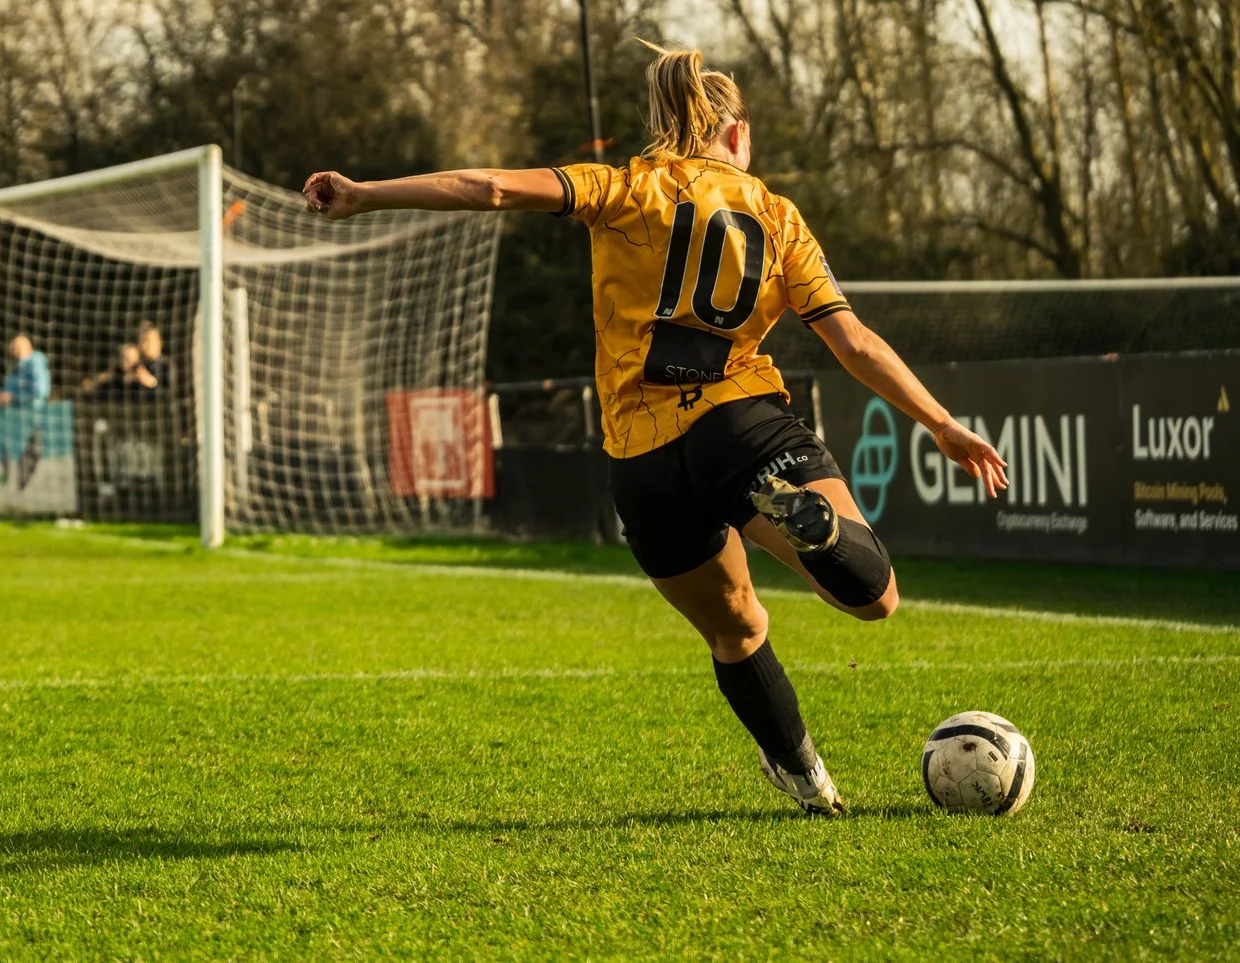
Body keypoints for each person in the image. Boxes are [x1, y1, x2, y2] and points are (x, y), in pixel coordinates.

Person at [302, 45, 1008, 816]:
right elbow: (854, 342)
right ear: (736, 134)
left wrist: (364, 193)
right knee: (876, 597)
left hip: (641, 460)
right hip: (738, 425)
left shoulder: (623, 186)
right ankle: (813, 530)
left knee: (736, 631)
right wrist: (941, 422)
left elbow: (493, 187)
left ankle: (806, 776)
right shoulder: (774, 214)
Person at [0, 334, 50, 490]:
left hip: (32, 417)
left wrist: (13, 398)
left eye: (18, 347)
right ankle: (10, 485)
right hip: (14, 418)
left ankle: (25, 485)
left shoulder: (35, 363)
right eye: (13, 348)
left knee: (30, 453)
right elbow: (6, 390)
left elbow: (40, 391)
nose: (14, 351)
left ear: (29, 346)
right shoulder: (15, 369)